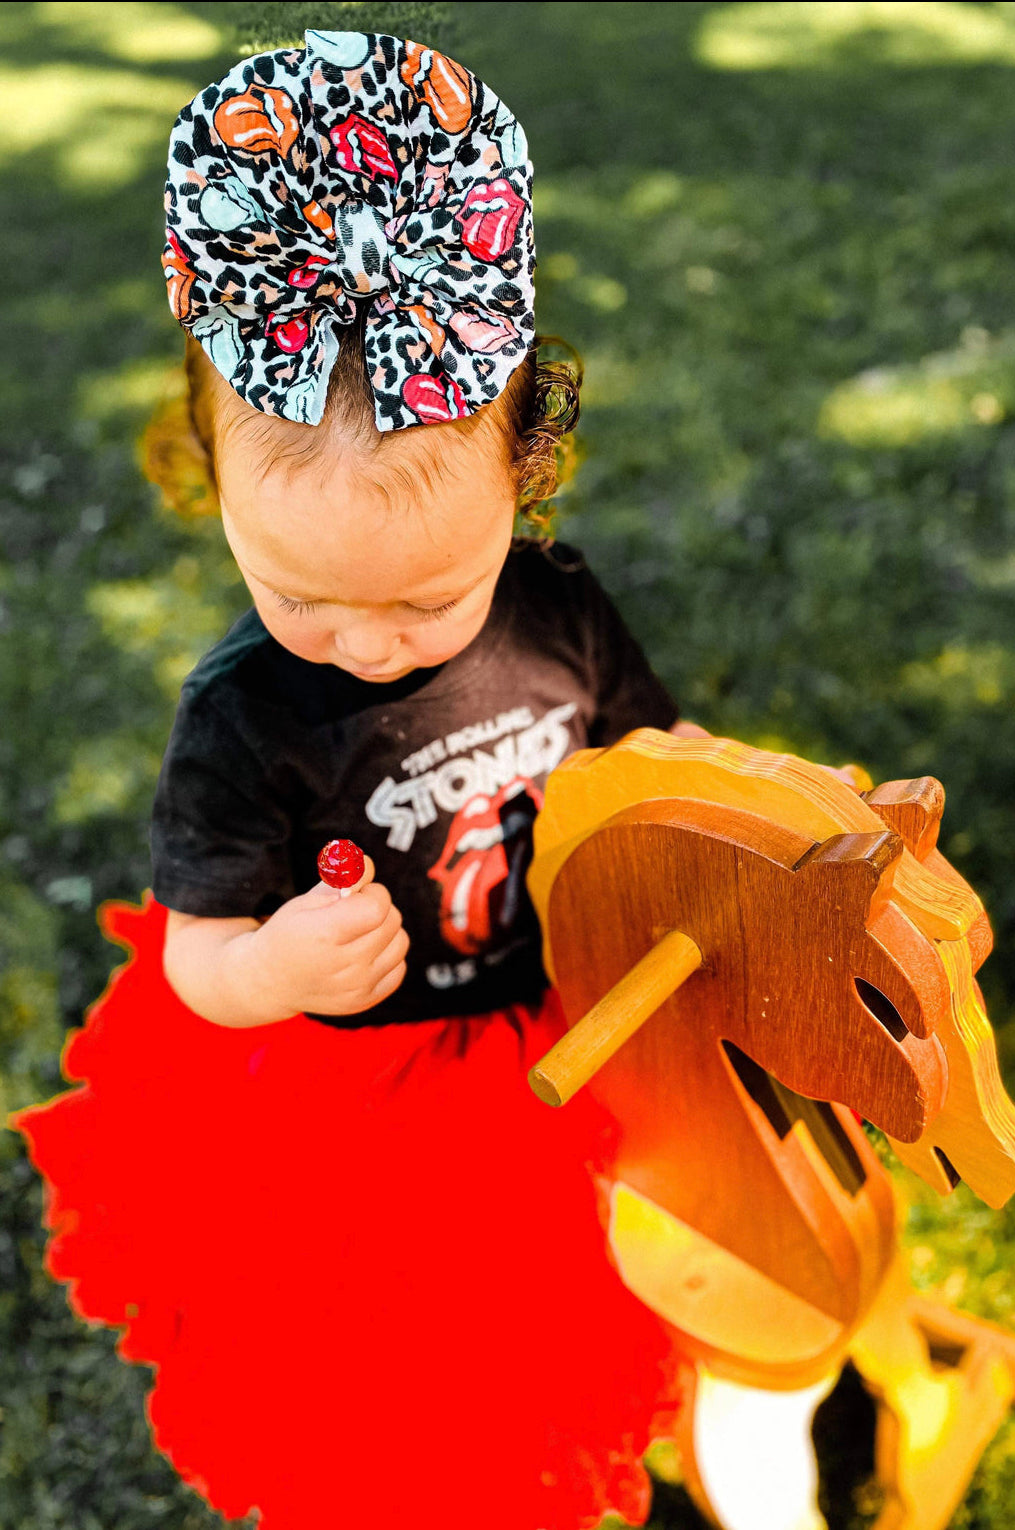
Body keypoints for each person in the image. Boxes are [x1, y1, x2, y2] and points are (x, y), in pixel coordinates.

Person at [15, 31, 699, 1530]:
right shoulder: (244, 715)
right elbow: (194, 953)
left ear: (525, 473)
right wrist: (276, 965)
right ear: (209, 477)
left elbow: (643, 750)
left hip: (540, 1018)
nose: (366, 645)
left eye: (423, 602)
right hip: (354, 1094)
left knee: (574, 1304)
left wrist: (702, 792)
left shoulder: (558, 606)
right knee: (384, 1371)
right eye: (298, 594)